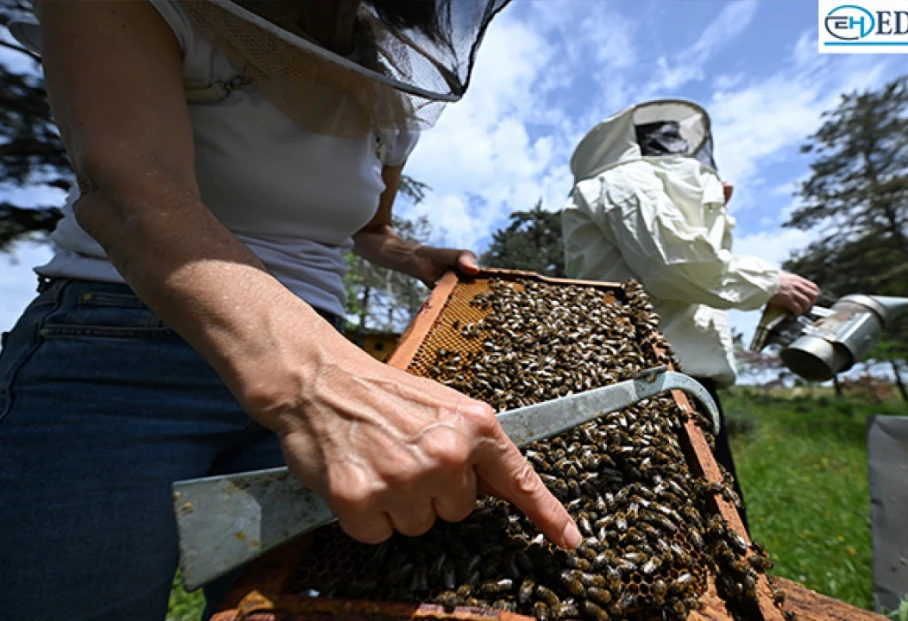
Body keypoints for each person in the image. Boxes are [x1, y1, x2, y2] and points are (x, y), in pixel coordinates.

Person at [0, 2, 578, 619]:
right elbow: (127, 187)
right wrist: (316, 381)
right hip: (120, 346)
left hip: (321, 354)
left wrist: (417, 257)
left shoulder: (386, 94)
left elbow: (371, 229)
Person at [561, 99, 820, 528]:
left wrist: (713, 208)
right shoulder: (623, 181)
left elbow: (695, 260)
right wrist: (771, 282)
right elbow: (674, 264)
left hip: (676, 386)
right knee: (653, 523)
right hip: (639, 385)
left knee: (714, 527)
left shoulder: (637, 187)